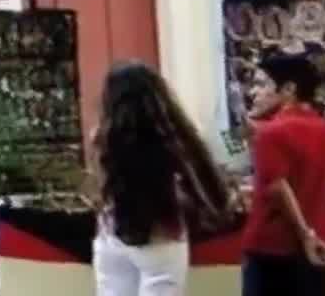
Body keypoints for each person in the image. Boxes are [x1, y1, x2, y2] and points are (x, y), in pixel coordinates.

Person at [88, 62, 237, 295]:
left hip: (113, 233)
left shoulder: (103, 138)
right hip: (162, 234)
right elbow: (203, 183)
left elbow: (102, 187)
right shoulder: (173, 137)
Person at [241, 53, 325, 296]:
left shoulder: (271, 133)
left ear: (289, 88)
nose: (253, 93)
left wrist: (305, 235)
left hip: (273, 248)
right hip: (323, 243)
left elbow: (278, 186)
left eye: (262, 84)